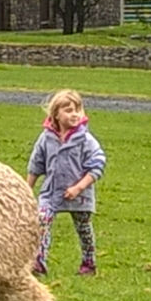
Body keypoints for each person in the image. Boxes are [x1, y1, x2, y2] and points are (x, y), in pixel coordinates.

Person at [27, 89, 107, 276]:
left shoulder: (85, 140)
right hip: (51, 193)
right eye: (68, 110)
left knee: (83, 228)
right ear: (56, 114)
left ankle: (88, 263)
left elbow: (97, 165)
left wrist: (79, 187)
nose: (74, 114)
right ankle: (38, 261)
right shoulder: (46, 138)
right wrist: (25, 189)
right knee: (42, 221)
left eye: (77, 110)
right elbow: (36, 164)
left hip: (80, 196)